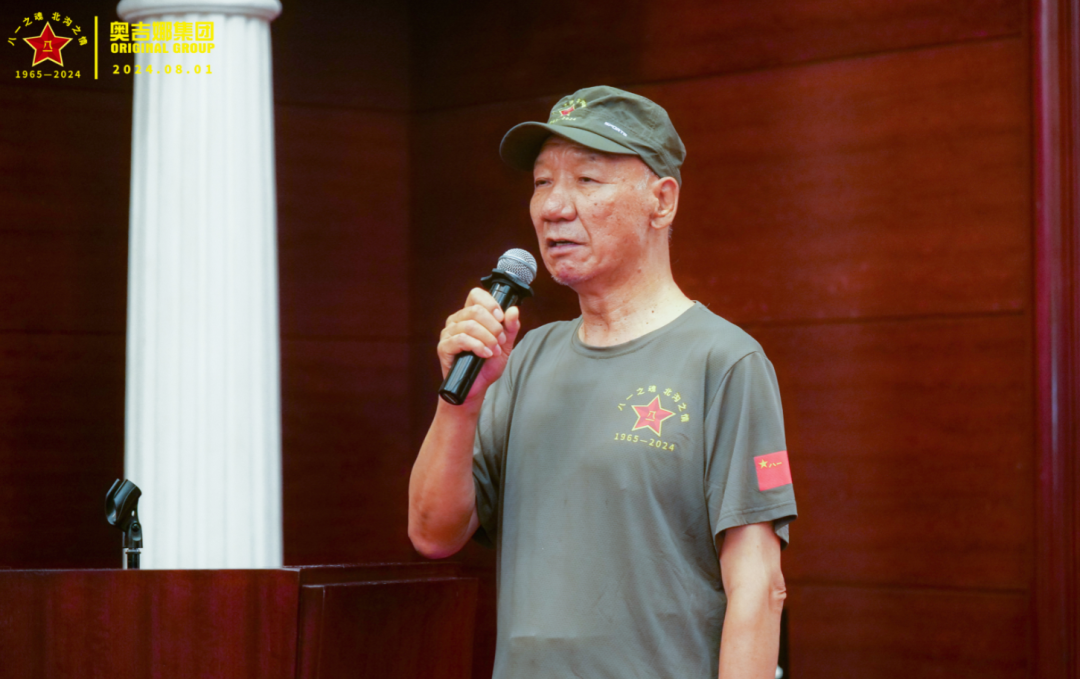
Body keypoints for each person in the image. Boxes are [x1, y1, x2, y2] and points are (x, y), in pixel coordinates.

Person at [408, 85, 797, 679]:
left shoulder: (724, 361)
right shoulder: (523, 359)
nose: (554, 207)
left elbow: (759, 587)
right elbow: (433, 533)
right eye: (542, 182)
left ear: (661, 201)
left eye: (587, 180)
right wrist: (462, 402)